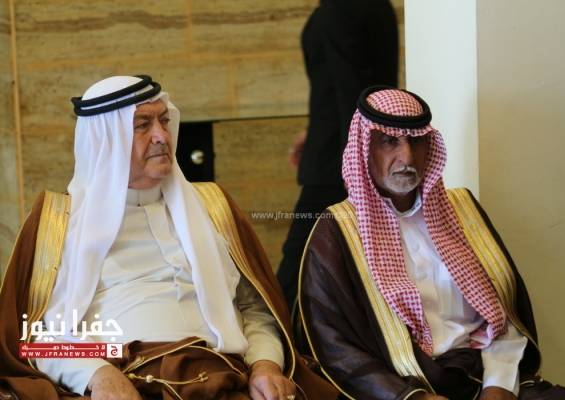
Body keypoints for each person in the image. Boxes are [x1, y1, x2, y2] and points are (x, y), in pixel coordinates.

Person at [0, 75, 338, 400]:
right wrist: (97, 375)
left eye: (164, 120)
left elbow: (254, 309)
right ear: (106, 140)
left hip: (226, 376)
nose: (162, 136)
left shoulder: (212, 205)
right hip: (126, 380)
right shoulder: (59, 221)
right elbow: (36, 336)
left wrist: (265, 364)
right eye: (142, 125)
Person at [299, 86, 565, 399]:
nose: (406, 157)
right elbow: (334, 346)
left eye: (416, 141)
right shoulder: (336, 231)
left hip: (482, 378)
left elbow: (503, 313)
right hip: (401, 389)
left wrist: (498, 386)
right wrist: (410, 397)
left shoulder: (462, 210)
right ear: (364, 149)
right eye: (389, 141)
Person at [278, 0, 399, 310]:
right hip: (345, 152)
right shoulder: (373, 5)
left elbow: (355, 93)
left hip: (339, 163)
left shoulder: (340, 9)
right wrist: (314, 132)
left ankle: (274, 339)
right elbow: (347, 88)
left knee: (297, 267)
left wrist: (353, 164)